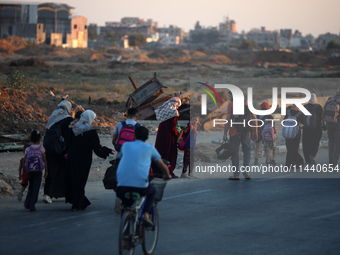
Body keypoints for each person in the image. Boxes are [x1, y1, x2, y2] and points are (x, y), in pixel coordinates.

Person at [116, 126, 171, 225]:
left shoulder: (126, 146)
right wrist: (167, 175)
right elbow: (162, 165)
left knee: (126, 204)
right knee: (152, 191)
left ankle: (124, 233)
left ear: (134, 136)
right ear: (147, 138)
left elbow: (121, 158)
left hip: (121, 186)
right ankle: (146, 214)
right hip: (140, 187)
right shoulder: (149, 148)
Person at [66, 110, 113, 212]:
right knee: (81, 181)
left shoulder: (74, 127)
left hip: (72, 157)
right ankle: (77, 205)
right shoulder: (91, 130)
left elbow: (67, 142)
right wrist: (107, 151)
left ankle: (77, 203)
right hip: (84, 159)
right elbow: (96, 148)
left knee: (74, 179)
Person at [43, 100, 73, 203]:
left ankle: (47, 194)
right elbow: (70, 135)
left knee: (51, 171)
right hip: (61, 150)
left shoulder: (52, 118)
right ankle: (60, 193)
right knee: (63, 171)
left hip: (49, 149)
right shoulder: (68, 120)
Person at [223, 91, 258, 180]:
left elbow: (228, 119)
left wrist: (225, 133)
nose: (229, 97)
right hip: (246, 132)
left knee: (235, 152)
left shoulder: (231, 104)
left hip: (234, 132)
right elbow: (254, 118)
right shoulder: (247, 104)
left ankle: (236, 175)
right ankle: (246, 169)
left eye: (229, 95)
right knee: (247, 151)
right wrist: (255, 132)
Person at [154, 97, 182, 178]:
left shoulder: (163, 110)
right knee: (169, 153)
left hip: (161, 135)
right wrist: (178, 136)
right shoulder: (173, 112)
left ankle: (158, 171)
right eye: (178, 105)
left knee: (160, 152)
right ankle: (168, 172)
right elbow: (173, 127)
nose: (177, 107)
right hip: (169, 137)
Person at [24, 130, 48, 212]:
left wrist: (25, 169)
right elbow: (45, 160)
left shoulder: (28, 149)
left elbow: (24, 160)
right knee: (36, 188)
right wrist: (46, 171)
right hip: (38, 171)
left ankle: (27, 203)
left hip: (30, 170)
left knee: (31, 186)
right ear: (39, 140)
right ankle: (32, 205)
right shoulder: (41, 149)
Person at [302, 93, 323, 164]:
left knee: (306, 143)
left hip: (306, 128)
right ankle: (312, 155)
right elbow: (321, 118)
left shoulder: (305, 106)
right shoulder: (318, 107)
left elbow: (302, 117)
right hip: (316, 129)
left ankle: (307, 159)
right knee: (315, 143)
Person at [323, 87, 340, 165]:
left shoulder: (330, 98)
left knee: (331, 142)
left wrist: (323, 122)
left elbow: (324, 110)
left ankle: (330, 159)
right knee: (337, 143)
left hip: (329, 123)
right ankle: (334, 161)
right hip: (338, 125)